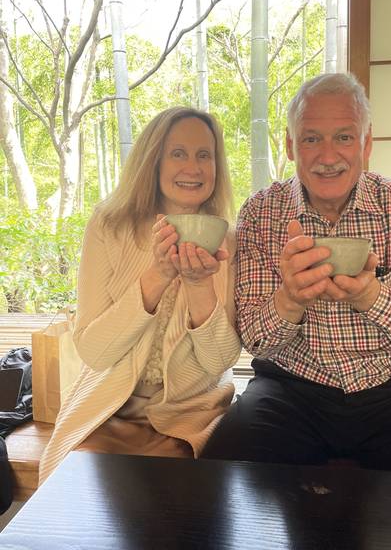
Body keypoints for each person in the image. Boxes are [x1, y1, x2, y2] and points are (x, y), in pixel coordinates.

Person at [202, 73, 391, 474]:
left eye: (344, 138)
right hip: (288, 390)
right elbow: (257, 341)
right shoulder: (262, 213)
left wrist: (371, 297)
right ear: (290, 145)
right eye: (311, 138)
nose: (328, 155)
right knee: (218, 477)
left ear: (366, 144)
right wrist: (290, 299)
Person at [40, 106, 241, 482]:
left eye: (205, 155)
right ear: (154, 161)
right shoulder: (110, 225)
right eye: (177, 153)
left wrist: (199, 285)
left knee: (174, 507)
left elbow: (217, 362)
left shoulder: (227, 240)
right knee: (76, 496)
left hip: (186, 417)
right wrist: (159, 273)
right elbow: (94, 352)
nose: (193, 168)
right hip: (106, 411)